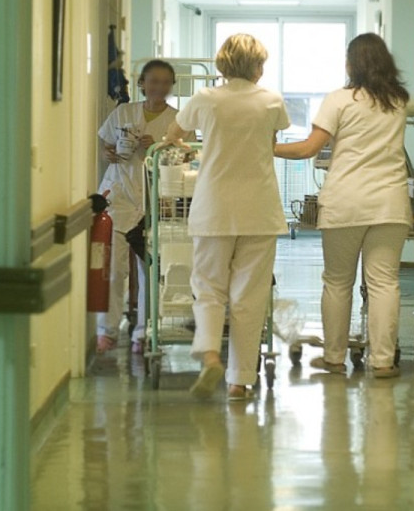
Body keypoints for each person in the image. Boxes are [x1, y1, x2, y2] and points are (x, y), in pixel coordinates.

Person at [275, 33, 412, 379]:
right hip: (390, 202)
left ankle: (334, 358)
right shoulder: (398, 100)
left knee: (337, 281)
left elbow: (308, 148)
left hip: (346, 202)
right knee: (384, 282)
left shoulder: (338, 100)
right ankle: (383, 361)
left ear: (352, 64)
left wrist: (267, 147)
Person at [165, 34, 290, 401]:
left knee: (208, 287)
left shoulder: (205, 98)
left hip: (214, 208)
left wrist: (184, 144)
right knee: (249, 295)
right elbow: (270, 143)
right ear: (256, 67)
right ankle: (240, 380)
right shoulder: (271, 101)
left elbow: (173, 134)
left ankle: (209, 355)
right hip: (260, 209)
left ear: (222, 64)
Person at [96, 59, 181, 354]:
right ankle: (107, 330)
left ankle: (144, 332)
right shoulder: (124, 112)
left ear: (172, 86)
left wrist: (156, 147)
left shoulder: (178, 120)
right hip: (119, 198)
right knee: (114, 269)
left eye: (165, 82)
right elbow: (105, 144)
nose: (159, 87)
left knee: (150, 272)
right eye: (153, 81)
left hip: (154, 201)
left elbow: (186, 161)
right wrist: (107, 153)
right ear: (142, 83)